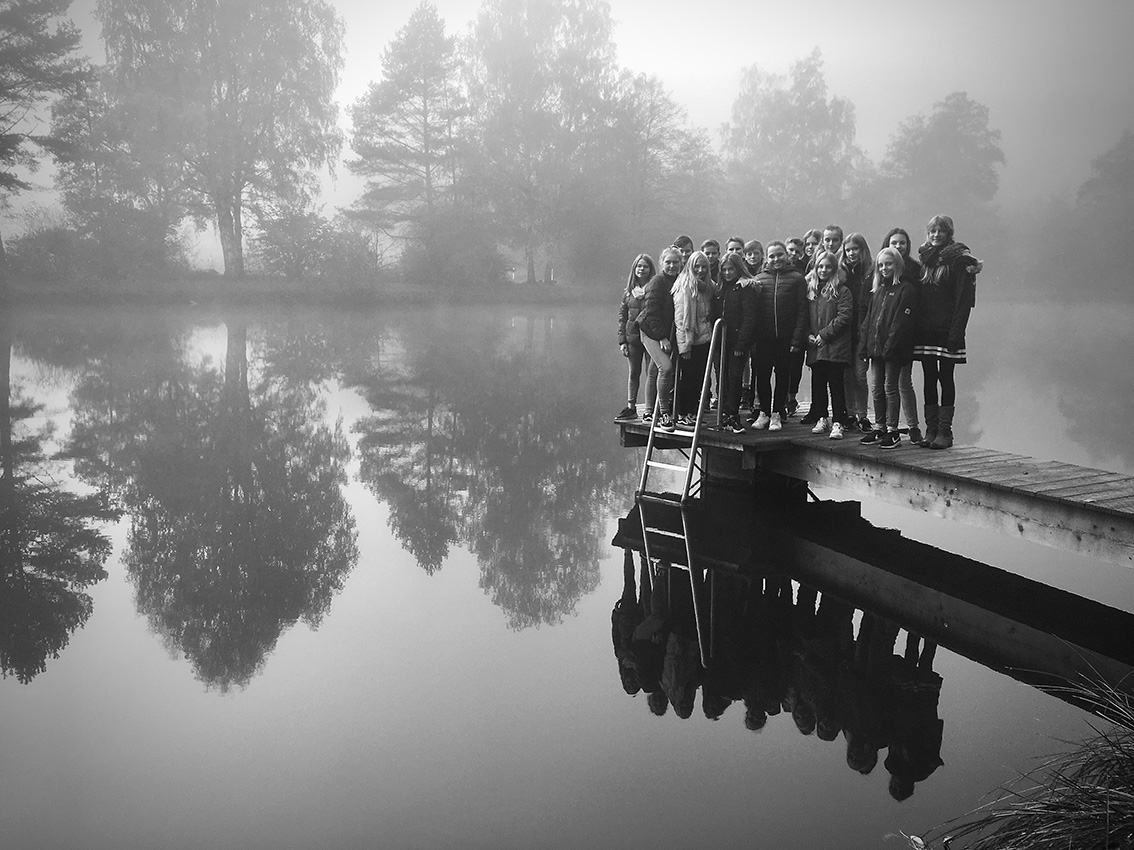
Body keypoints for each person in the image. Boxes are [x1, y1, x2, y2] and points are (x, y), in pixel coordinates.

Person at [912, 215, 981, 449]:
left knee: (946, 377)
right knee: (929, 378)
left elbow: (963, 300)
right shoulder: (924, 258)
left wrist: (956, 332)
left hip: (947, 330)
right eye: (932, 231)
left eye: (941, 231)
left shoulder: (960, 260)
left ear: (949, 233)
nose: (936, 235)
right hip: (925, 329)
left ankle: (945, 432)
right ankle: (930, 430)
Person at [859, 247, 918, 449]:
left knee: (889, 388)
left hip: (893, 351)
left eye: (889, 264)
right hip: (876, 350)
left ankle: (893, 431)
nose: (884, 268)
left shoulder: (906, 289)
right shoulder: (877, 290)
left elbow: (901, 322)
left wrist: (890, 347)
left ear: (897, 265)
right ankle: (880, 426)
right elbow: (869, 320)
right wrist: (864, 345)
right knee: (876, 389)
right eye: (881, 265)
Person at [749, 241, 808, 431]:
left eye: (780, 255)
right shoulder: (759, 279)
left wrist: (797, 339)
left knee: (783, 376)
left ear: (786, 255)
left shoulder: (797, 279)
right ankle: (764, 412)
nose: (776, 259)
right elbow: (754, 312)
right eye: (772, 256)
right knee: (762, 376)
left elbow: (802, 311)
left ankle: (777, 413)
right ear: (767, 258)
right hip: (764, 337)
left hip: (786, 337)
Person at [804, 249, 853, 439]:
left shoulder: (842, 290)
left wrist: (824, 334)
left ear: (834, 269)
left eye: (828, 267)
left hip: (835, 347)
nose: (824, 270)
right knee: (818, 383)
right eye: (820, 266)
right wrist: (807, 335)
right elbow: (805, 317)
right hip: (816, 346)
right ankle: (821, 417)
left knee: (836, 385)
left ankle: (839, 421)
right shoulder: (811, 290)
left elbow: (844, 316)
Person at [881, 227, 924, 442]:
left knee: (903, 382)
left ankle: (913, 426)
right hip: (883, 338)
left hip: (906, 334)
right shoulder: (881, 268)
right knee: (886, 384)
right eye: (894, 242)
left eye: (902, 243)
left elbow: (917, 304)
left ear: (908, 245)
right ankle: (890, 427)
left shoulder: (915, 270)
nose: (898, 246)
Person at [639, 246, 682, 432]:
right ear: (661, 263)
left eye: (675, 262)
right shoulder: (657, 282)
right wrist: (662, 338)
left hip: (666, 331)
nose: (671, 266)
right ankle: (664, 413)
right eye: (668, 262)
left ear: (681, 264)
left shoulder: (681, 281)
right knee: (665, 368)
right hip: (650, 330)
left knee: (653, 369)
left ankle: (648, 411)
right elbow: (651, 313)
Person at [673, 250, 717, 427]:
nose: (700, 270)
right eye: (696, 266)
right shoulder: (685, 287)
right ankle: (684, 413)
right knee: (688, 379)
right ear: (690, 266)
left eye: (704, 267)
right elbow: (681, 320)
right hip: (690, 341)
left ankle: (692, 412)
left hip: (705, 339)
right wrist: (685, 346)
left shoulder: (708, 287)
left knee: (699, 378)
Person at [716, 252, 759, 433]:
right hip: (721, 343)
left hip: (737, 343)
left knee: (735, 378)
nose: (727, 273)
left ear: (738, 268)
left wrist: (742, 344)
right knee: (723, 378)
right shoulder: (720, 290)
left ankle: (733, 415)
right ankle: (724, 414)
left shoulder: (745, 288)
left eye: (730, 269)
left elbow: (750, 318)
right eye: (724, 270)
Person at [838, 233, 873, 431]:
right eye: (848, 250)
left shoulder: (870, 271)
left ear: (862, 250)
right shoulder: (841, 273)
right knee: (846, 376)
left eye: (855, 249)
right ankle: (850, 414)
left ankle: (863, 416)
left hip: (863, 330)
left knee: (860, 375)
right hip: (844, 331)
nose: (851, 253)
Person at [616, 253, 656, 421]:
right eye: (639, 266)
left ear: (650, 269)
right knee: (634, 373)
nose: (641, 269)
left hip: (651, 338)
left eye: (645, 266)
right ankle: (631, 406)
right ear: (634, 269)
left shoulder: (655, 290)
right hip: (633, 340)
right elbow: (622, 318)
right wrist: (622, 341)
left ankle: (649, 409)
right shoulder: (628, 293)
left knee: (651, 373)